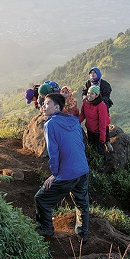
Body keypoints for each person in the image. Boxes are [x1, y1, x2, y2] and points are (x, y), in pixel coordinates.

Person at [34, 92, 90, 242]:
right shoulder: (73, 121)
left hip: (67, 173)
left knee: (41, 198)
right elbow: (80, 144)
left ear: (57, 107)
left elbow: (53, 152)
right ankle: (83, 234)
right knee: (81, 202)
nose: (43, 106)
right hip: (83, 169)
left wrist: (55, 174)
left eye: (47, 104)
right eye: (43, 103)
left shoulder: (50, 124)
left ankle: (46, 229)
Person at [78, 85, 111, 158]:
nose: (89, 95)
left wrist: (102, 137)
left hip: (98, 131)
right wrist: (75, 122)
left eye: (92, 94)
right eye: (88, 93)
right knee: (92, 147)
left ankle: (104, 164)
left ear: (97, 95)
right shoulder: (85, 102)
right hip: (90, 130)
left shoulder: (101, 106)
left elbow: (103, 123)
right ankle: (95, 163)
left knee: (100, 149)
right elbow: (82, 115)